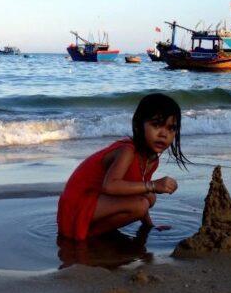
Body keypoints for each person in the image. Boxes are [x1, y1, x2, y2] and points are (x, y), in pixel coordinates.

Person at [57, 94, 189, 241]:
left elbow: (138, 191)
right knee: (142, 203)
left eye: (171, 128)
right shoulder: (127, 151)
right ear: (140, 125)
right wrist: (153, 185)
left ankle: (96, 231)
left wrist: (149, 226)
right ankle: (88, 235)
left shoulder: (151, 160)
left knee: (148, 197)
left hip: (94, 202)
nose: (163, 134)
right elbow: (110, 186)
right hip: (75, 206)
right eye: (156, 125)